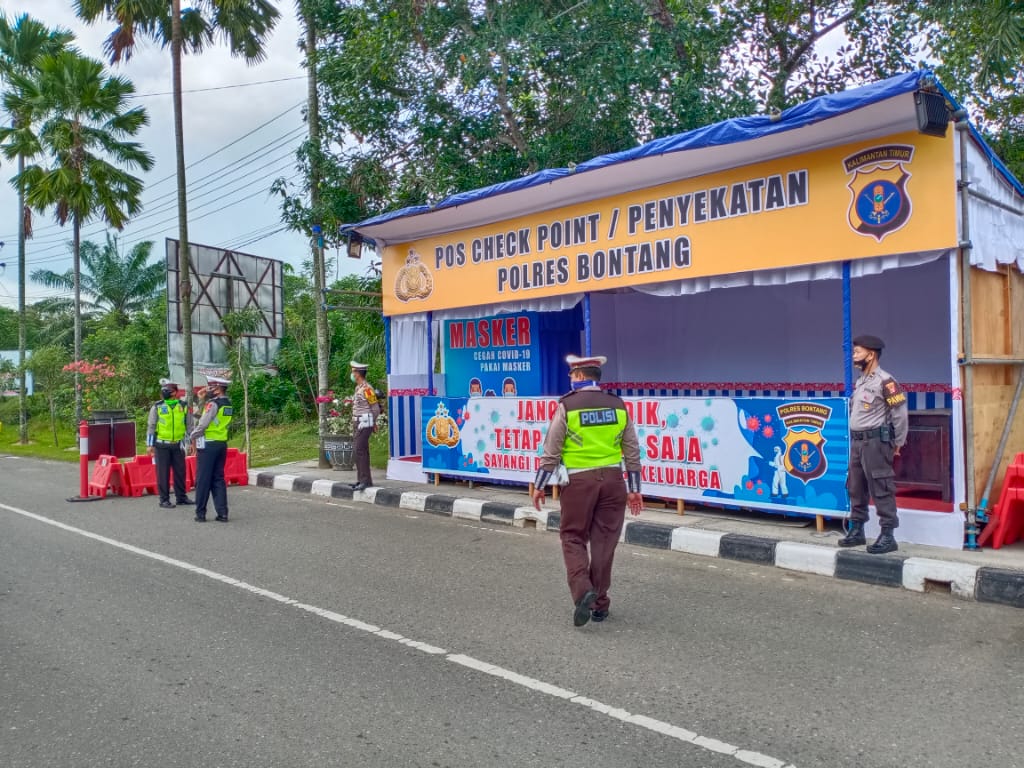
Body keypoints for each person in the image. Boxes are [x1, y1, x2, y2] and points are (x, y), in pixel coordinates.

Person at [532, 354, 643, 627]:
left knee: (572, 537)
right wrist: (635, 489)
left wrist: (539, 485)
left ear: (580, 377)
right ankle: (600, 604)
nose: (570, 379)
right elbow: (632, 450)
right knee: (605, 543)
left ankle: (583, 591)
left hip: (579, 483)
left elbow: (551, 450)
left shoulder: (567, 406)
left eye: (572, 375)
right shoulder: (618, 406)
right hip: (615, 482)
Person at [839, 334, 909, 554]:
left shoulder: (886, 382)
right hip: (859, 443)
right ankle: (857, 530)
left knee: (881, 487)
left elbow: (900, 414)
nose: (854, 356)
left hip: (876, 442)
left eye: (858, 352)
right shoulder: (861, 381)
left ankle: (888, 535)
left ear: (871, 355)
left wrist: (898, 441)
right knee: (855, 487)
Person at [188, 375, 233, 523]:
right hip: (221, 444)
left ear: (218, 389)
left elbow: (202, 424)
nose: (209, 389)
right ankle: (223, 513)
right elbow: (203, 417)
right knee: (218, 479)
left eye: (211, 387)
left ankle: (200, 513)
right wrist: (201, 399)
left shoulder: (213, 404)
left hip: (207, 445)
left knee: (203, 480)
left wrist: (191, 436)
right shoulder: (228, 403)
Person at [146, 378, 193, 509]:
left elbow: (189, 426)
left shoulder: (183, 406)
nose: (165, 392)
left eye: (168, 390)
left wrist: (191, 442)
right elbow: (151, 426)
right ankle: (164, 499)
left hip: (178, 444)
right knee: (163, 473)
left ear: (175, 392)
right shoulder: (157, 406)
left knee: (180, 472)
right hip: (162, 445)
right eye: (164, 390)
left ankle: (181, 497)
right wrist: (150, 445)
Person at [349, 361, 381, 491]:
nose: (352, 374)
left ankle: (365, 481)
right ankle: (363, 480)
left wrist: (372, 422)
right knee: (361, 450)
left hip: (364, 421)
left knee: (359, 450)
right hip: (358, 421)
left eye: (353, 371)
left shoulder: (367, 389)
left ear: (358, 373)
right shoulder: (359, 388)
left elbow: (375, 408)